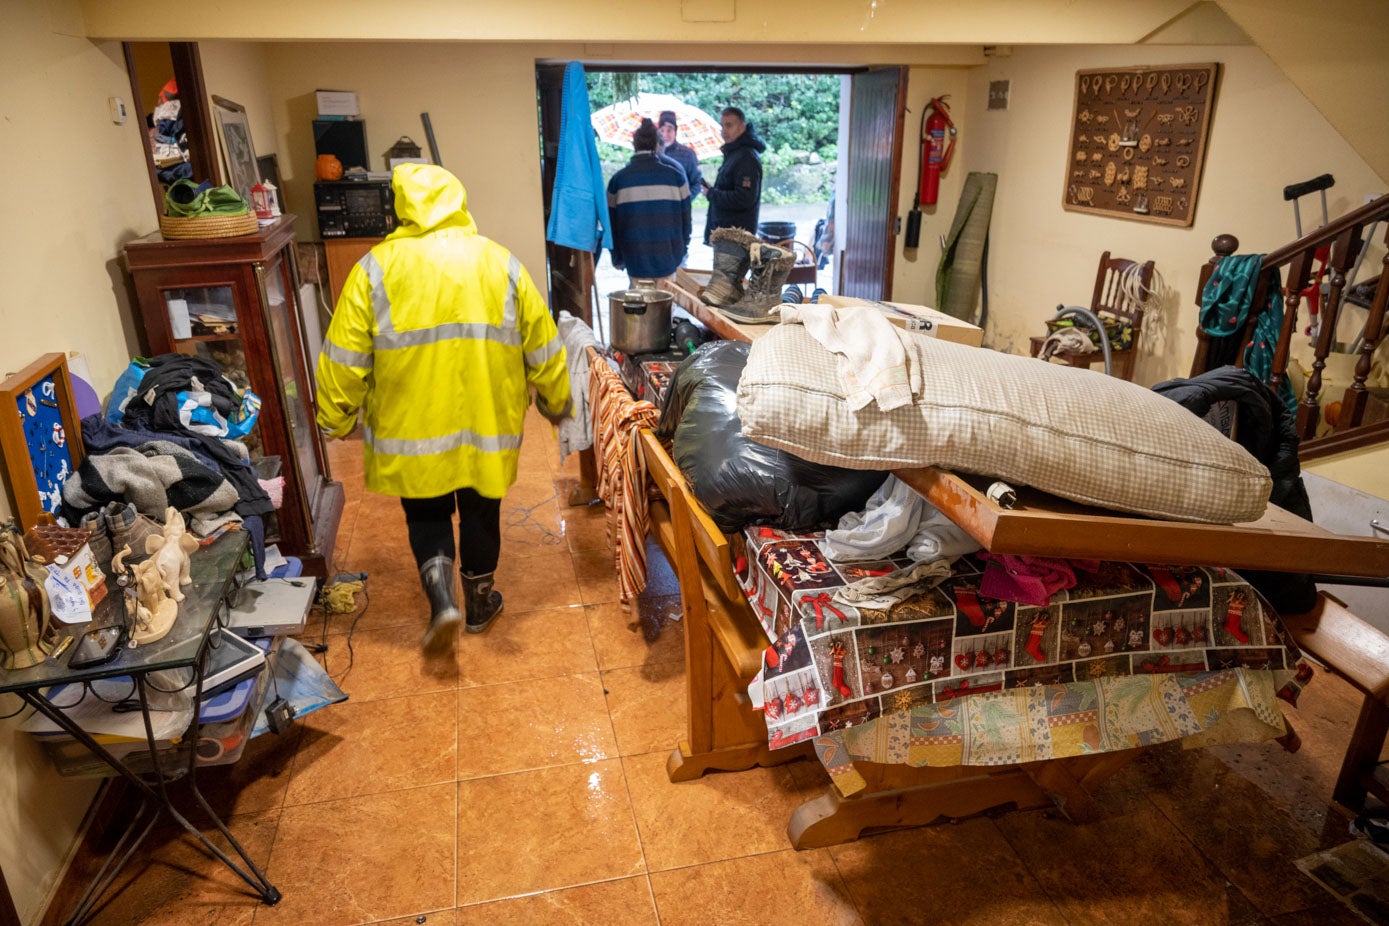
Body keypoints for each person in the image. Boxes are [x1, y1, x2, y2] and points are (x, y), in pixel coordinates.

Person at [315, 163, 571, 655]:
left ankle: (441, 602)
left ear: (401, 207)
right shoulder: (500, 263)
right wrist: (555, 399)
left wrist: (336, 416)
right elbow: (543, 341)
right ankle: (478, 604)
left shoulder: (375, 268)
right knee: (481, 507)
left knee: (425, 510)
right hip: (486, 424)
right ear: (458, 200)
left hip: (412, 429)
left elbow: (344, 356)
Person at [606, 118, 691, 282]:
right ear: (656, 145)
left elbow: (612, 225)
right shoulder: (676, 177)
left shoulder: (618, 181)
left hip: (634, 258)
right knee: (665, 305)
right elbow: (686, 221)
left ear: (634, 144)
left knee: (639, 305)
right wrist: (681, 250)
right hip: (668, 257)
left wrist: (617, 257)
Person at [701, 106, 766, 244]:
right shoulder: (735, 154)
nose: (724, 131)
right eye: (722, 126)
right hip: (726, 235)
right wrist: (713, 191)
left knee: (728, 267)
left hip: (735, 238)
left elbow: (744, 197)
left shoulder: (746, 157)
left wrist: (712, 194)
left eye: (729, 125)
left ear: (741, 127)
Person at [656, 109, 703, 238]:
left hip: (679, 214)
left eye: (669, 129)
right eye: (662, 129)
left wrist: (684, 201)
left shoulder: (688, 154)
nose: (665, 134)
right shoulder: (650, 154)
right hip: (655, 214)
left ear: (676, 131)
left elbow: (697, 183)